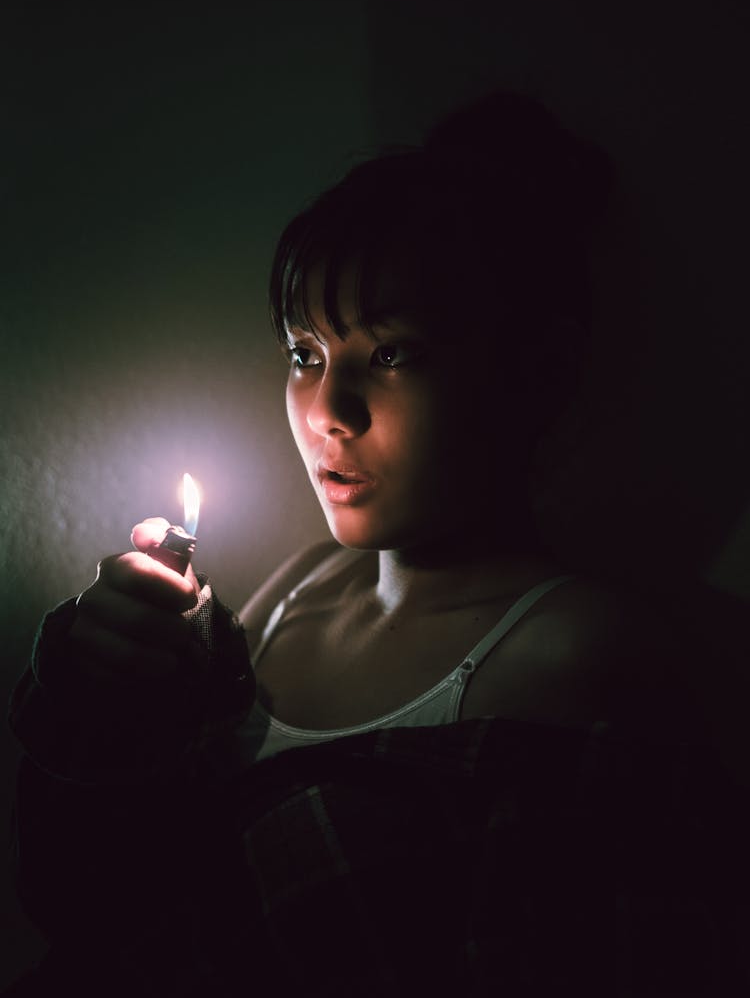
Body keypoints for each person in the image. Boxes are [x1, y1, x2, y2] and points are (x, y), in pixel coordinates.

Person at [7, 92, 749, 996]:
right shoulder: (291, 592)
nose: (329, 412)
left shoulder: (586, 654)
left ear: (535, 372)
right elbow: (101, 900)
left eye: (391, 354)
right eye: (304, 353)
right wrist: (102, 694)